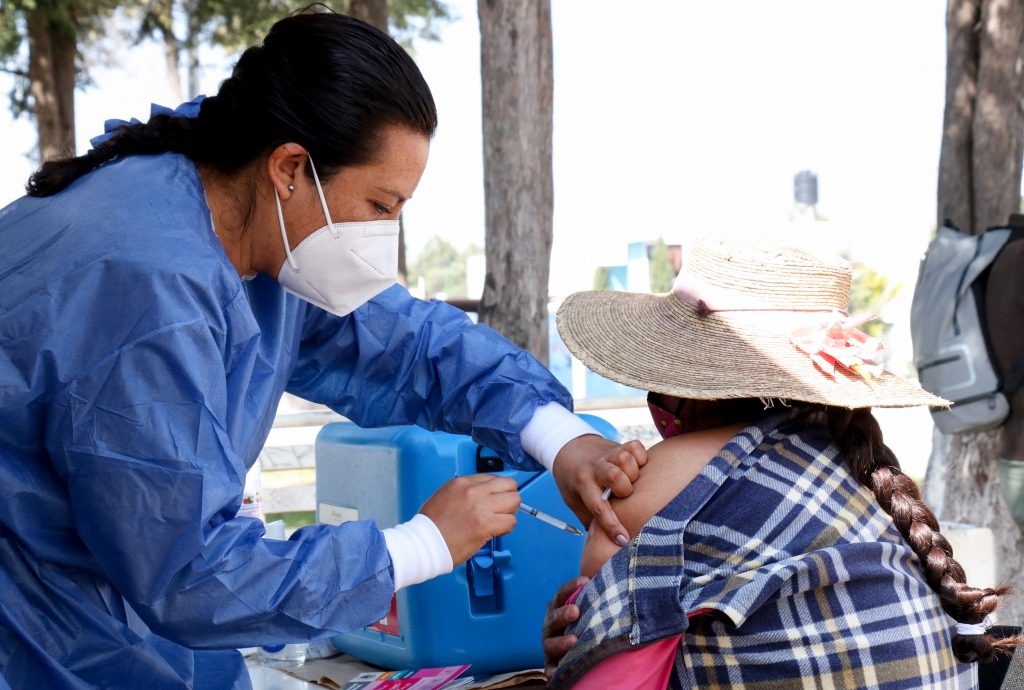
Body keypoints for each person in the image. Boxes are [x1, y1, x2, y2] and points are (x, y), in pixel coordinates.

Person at [0, 9, 648, 689]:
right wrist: (419, 545)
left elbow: (408, 345)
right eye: (380, 206)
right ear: (289, 167)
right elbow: (188, 572)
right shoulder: (148, 285)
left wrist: (560, 437)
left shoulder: (250, 225)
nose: (387, 235)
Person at [541, 238, 1020, 689]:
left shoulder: (653, 485)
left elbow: (586, 670)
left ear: (685, 388)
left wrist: (573, 642)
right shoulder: (864, 474)